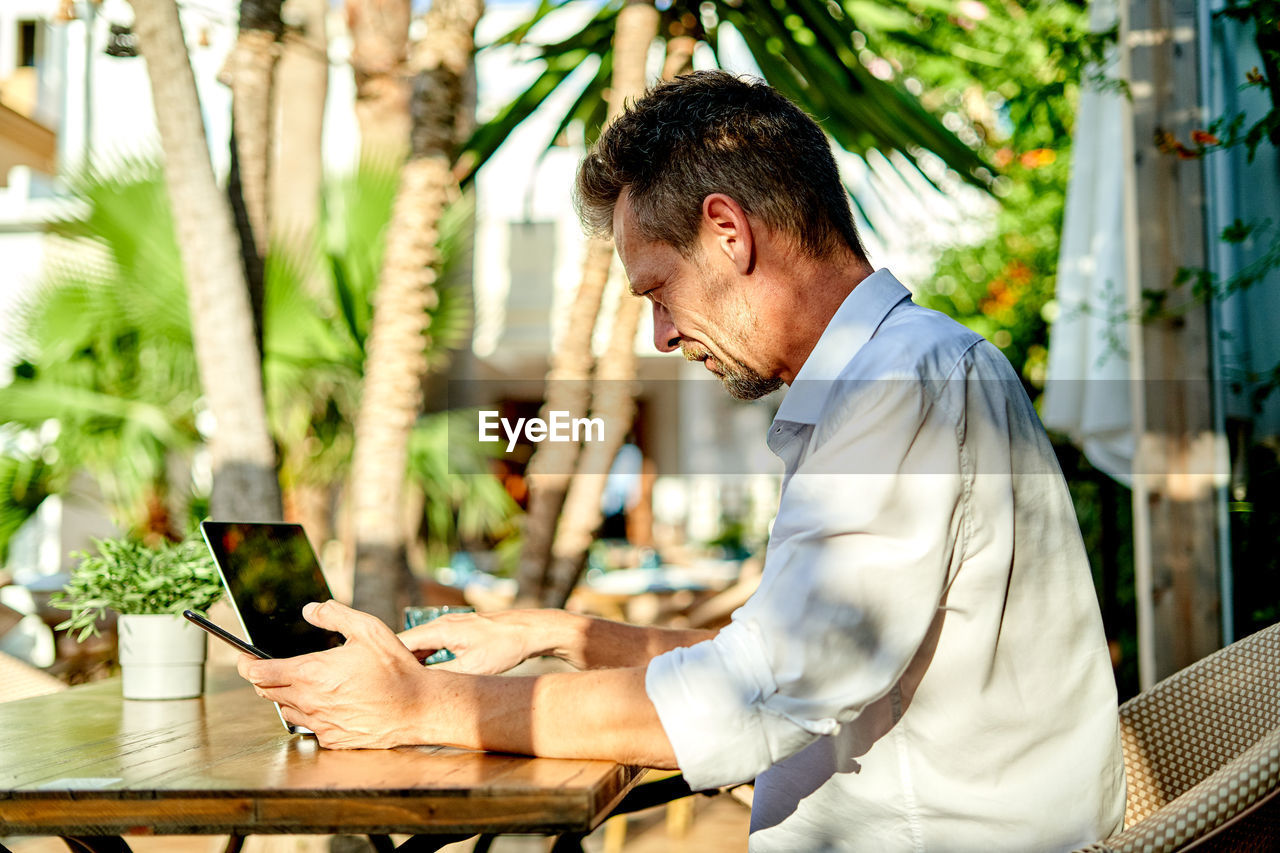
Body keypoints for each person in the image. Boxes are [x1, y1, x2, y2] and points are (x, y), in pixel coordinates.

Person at [238, 71, 1126, 851]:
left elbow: (769, 688)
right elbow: (785, 656)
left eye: (658, 288)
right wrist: (555, 631)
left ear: (729, 232)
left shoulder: (899, 384)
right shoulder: (892, 375)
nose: (661, 336)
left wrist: (421, 709)